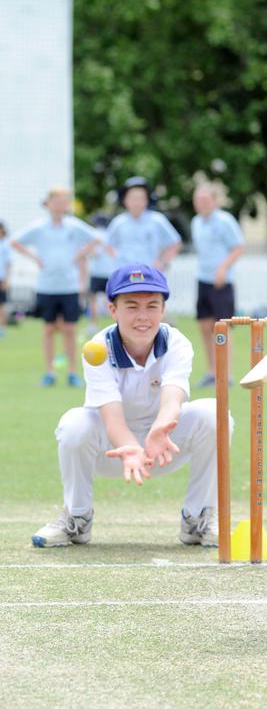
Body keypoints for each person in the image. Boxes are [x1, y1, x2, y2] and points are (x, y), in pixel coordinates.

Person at [31, 263, 232, 548]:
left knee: (215, 413)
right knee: (73, 423)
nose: (142, 316)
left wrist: (160, 430)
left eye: (152, 306)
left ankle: (197, 519)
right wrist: (131, 447)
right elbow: (111, 415)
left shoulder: (177, 343)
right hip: (113, 450)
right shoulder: (98, 348)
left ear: (163, 310)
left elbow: (173, 395)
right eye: (131, 306)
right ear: (112, 310)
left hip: (163, 447)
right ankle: (77, 519)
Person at [11, 187, 98, 386]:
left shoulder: (74, 226)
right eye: (56, 201)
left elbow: (97, 238)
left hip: (69, 286)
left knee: (70, 328)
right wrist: (34, 257)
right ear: (48, 204)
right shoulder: (39, 227)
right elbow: (14, 241)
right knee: (49, 329)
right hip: (46, 286)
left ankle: (72, 372)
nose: (60, 205)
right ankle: (49, 372)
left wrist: (80, 254)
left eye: (64, 201)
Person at [191, 183, 245, 387]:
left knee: (221, 327)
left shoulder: (224, 220)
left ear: (214, 201)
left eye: (205, 200)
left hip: (222, 282)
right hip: (202, 279)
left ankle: (226, 373)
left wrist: (223, 268)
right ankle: (211, 371)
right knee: (204, 326)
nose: (201, 204)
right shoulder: (196, 222)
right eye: (198, 201)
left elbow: (239, 247)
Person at [106, 176, 182, 269]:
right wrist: (119, 259)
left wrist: (163, 262)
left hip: (150, 274)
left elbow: (175, 242)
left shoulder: (157, 220)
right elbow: (108, 244)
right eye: (133, 197)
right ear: (125, 200)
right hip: (126, 275)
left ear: (147, 200)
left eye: (140, 198)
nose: (136, 202)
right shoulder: (118, 221)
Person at [85, 214, 116, 326]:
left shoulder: (94, 235)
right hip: (111, 272)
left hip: (97, 272)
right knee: (113, 300)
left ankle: (93, 324)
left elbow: (94, 253)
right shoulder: (111, 235)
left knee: (92, 298)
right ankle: (116, 324)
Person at [0, 221, 11, 336]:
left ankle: (2, 329)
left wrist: (7, 279)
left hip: (1, 278)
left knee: (2, 305)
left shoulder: (5, 245)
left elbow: (8, 264)